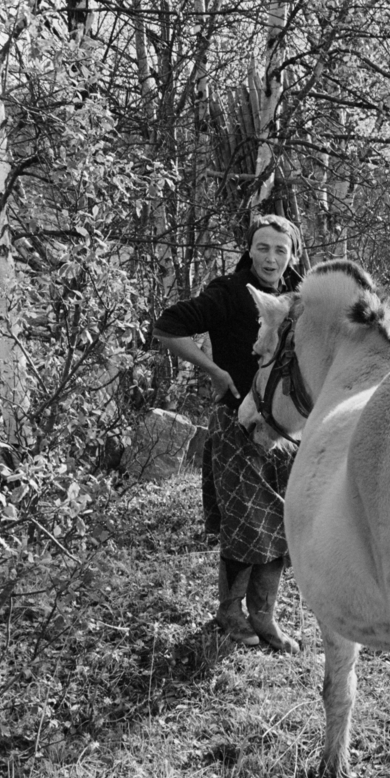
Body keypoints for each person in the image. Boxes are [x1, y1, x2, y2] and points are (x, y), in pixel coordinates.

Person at [153, 214, 304, 651]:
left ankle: (265, 616)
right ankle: (229, 613)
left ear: (292, 253)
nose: (271, 257)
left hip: (285, 430)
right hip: (236, 423)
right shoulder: (231, 292)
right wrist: (215, 372)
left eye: (281, 249)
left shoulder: (298, 298)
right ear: (249, 250)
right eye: (263, 247)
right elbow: (167, 326)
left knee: (279, 523)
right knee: (246, 525)